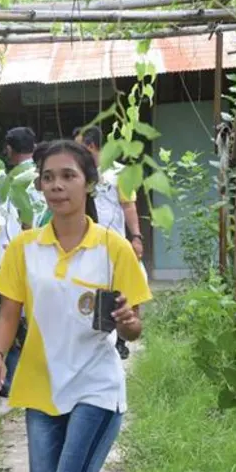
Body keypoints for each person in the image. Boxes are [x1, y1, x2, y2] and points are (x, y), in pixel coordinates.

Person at [0, 140, 152, 472]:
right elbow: (9, 312)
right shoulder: (23, 248)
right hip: (41, 387)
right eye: (48, 177)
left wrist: (126, 321)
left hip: (96, 386)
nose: (56, 185)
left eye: (68, 176)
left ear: (88, 183)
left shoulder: (113, 247)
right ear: (40, 186)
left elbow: (135, 327)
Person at [0, 127, 45, 421]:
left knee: (9, 325)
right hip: (47, 260)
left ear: (8, 148)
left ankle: (9, 390)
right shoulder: (42, 178)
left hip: (16, 262)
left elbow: (8, 228)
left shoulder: (10, 182)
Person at [73, 126, 144, 360]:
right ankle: (97, 335)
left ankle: (121, 340)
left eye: (79, 146)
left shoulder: (119, 173)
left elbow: (128, 206)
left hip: (115, 242)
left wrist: (136, 237)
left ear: (91, 146)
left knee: (121, 289)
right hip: (86, 241)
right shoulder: (79, 174)